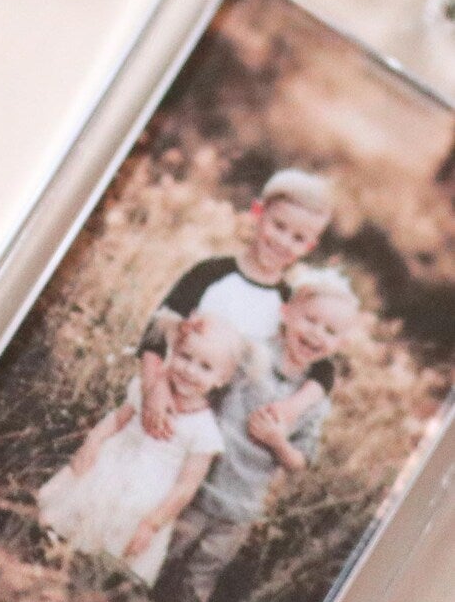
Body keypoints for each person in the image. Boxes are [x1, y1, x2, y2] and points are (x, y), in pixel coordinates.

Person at [155, 269, 360, 602]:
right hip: (198, 486)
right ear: (287, 314)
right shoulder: (251, 353)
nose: (316, 333)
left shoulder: (315, 403)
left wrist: (278, 441)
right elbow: (206, 379)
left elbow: (299, 462)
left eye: (330, 331)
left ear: (340, 343)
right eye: (310, 320)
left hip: (240, 508)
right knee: (163, 554)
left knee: (200, 578)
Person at [37, 314, 246, 584]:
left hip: (144, 501)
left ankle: (80, 589)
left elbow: (185, 487)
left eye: (205, 367)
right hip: (105, 471)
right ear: (171, 353)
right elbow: (117, 419)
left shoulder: (204, 431)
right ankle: (44, 572)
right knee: (64, 533)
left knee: (103, 561)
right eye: (185, 357)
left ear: (221, 379)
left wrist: (152, 524)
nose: (189, 370)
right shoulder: (147, 392)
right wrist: (92, 443)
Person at [138, 168, 334, 442]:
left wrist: (293, 406)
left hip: (218, 434)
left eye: (298, 238)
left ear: (309, 247)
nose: (283, 241)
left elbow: (323, 368)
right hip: (164, 405)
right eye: (278, 226)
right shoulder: (211, 273)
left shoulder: (290, 304)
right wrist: (153, 387)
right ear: (258, 212)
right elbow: (156, 332)